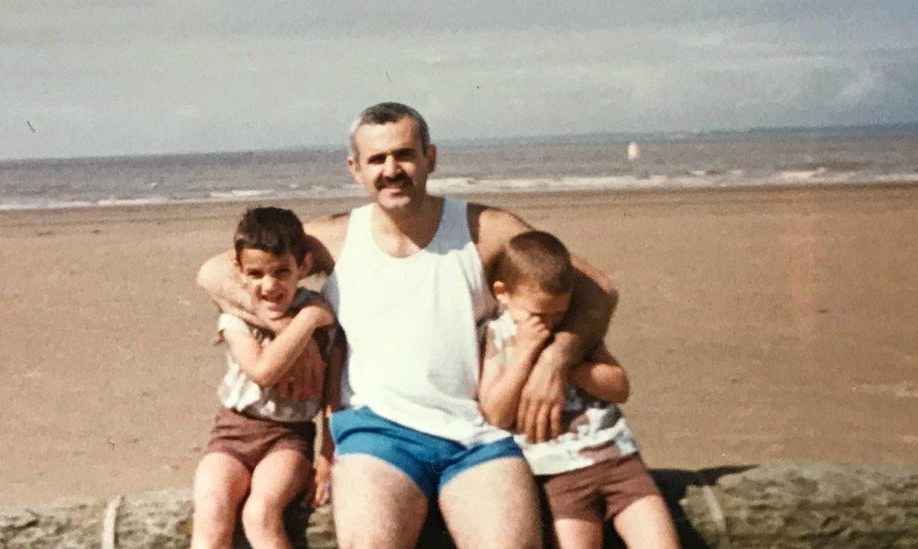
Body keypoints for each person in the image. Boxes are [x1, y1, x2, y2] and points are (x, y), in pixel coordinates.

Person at [196, 102, 618, 548]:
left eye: (404, 155)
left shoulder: (484, 229)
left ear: (429, 158)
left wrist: (556, 359)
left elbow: (597, 288)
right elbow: (215, 272)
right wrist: (287, 330)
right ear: (355, 169)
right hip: (375, 435)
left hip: (478, 435)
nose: (391, 169)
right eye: (376, 159)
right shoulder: (333, 237)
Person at [479, 230, 678, 549]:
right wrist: (526, 354)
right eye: (538, 314)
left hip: (619, 462)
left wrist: (564, 362)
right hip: (557, 476)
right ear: (503, 294)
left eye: (559, 313)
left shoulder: (570, 335)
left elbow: (619, 387)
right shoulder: (498, 337)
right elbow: (495, 413)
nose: (550, 323)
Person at [191, 207, 342, 549]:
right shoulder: (237, 316)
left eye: (281, 272)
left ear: (303, 268)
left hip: (289, 438)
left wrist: (326, 455)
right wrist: (306, 321)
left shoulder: (325, 321)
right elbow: (262, 371)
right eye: (256, 274)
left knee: (260, 514)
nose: (269, 285)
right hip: (232, 432)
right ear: (239, 272)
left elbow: (334, 395)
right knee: (212, 510)